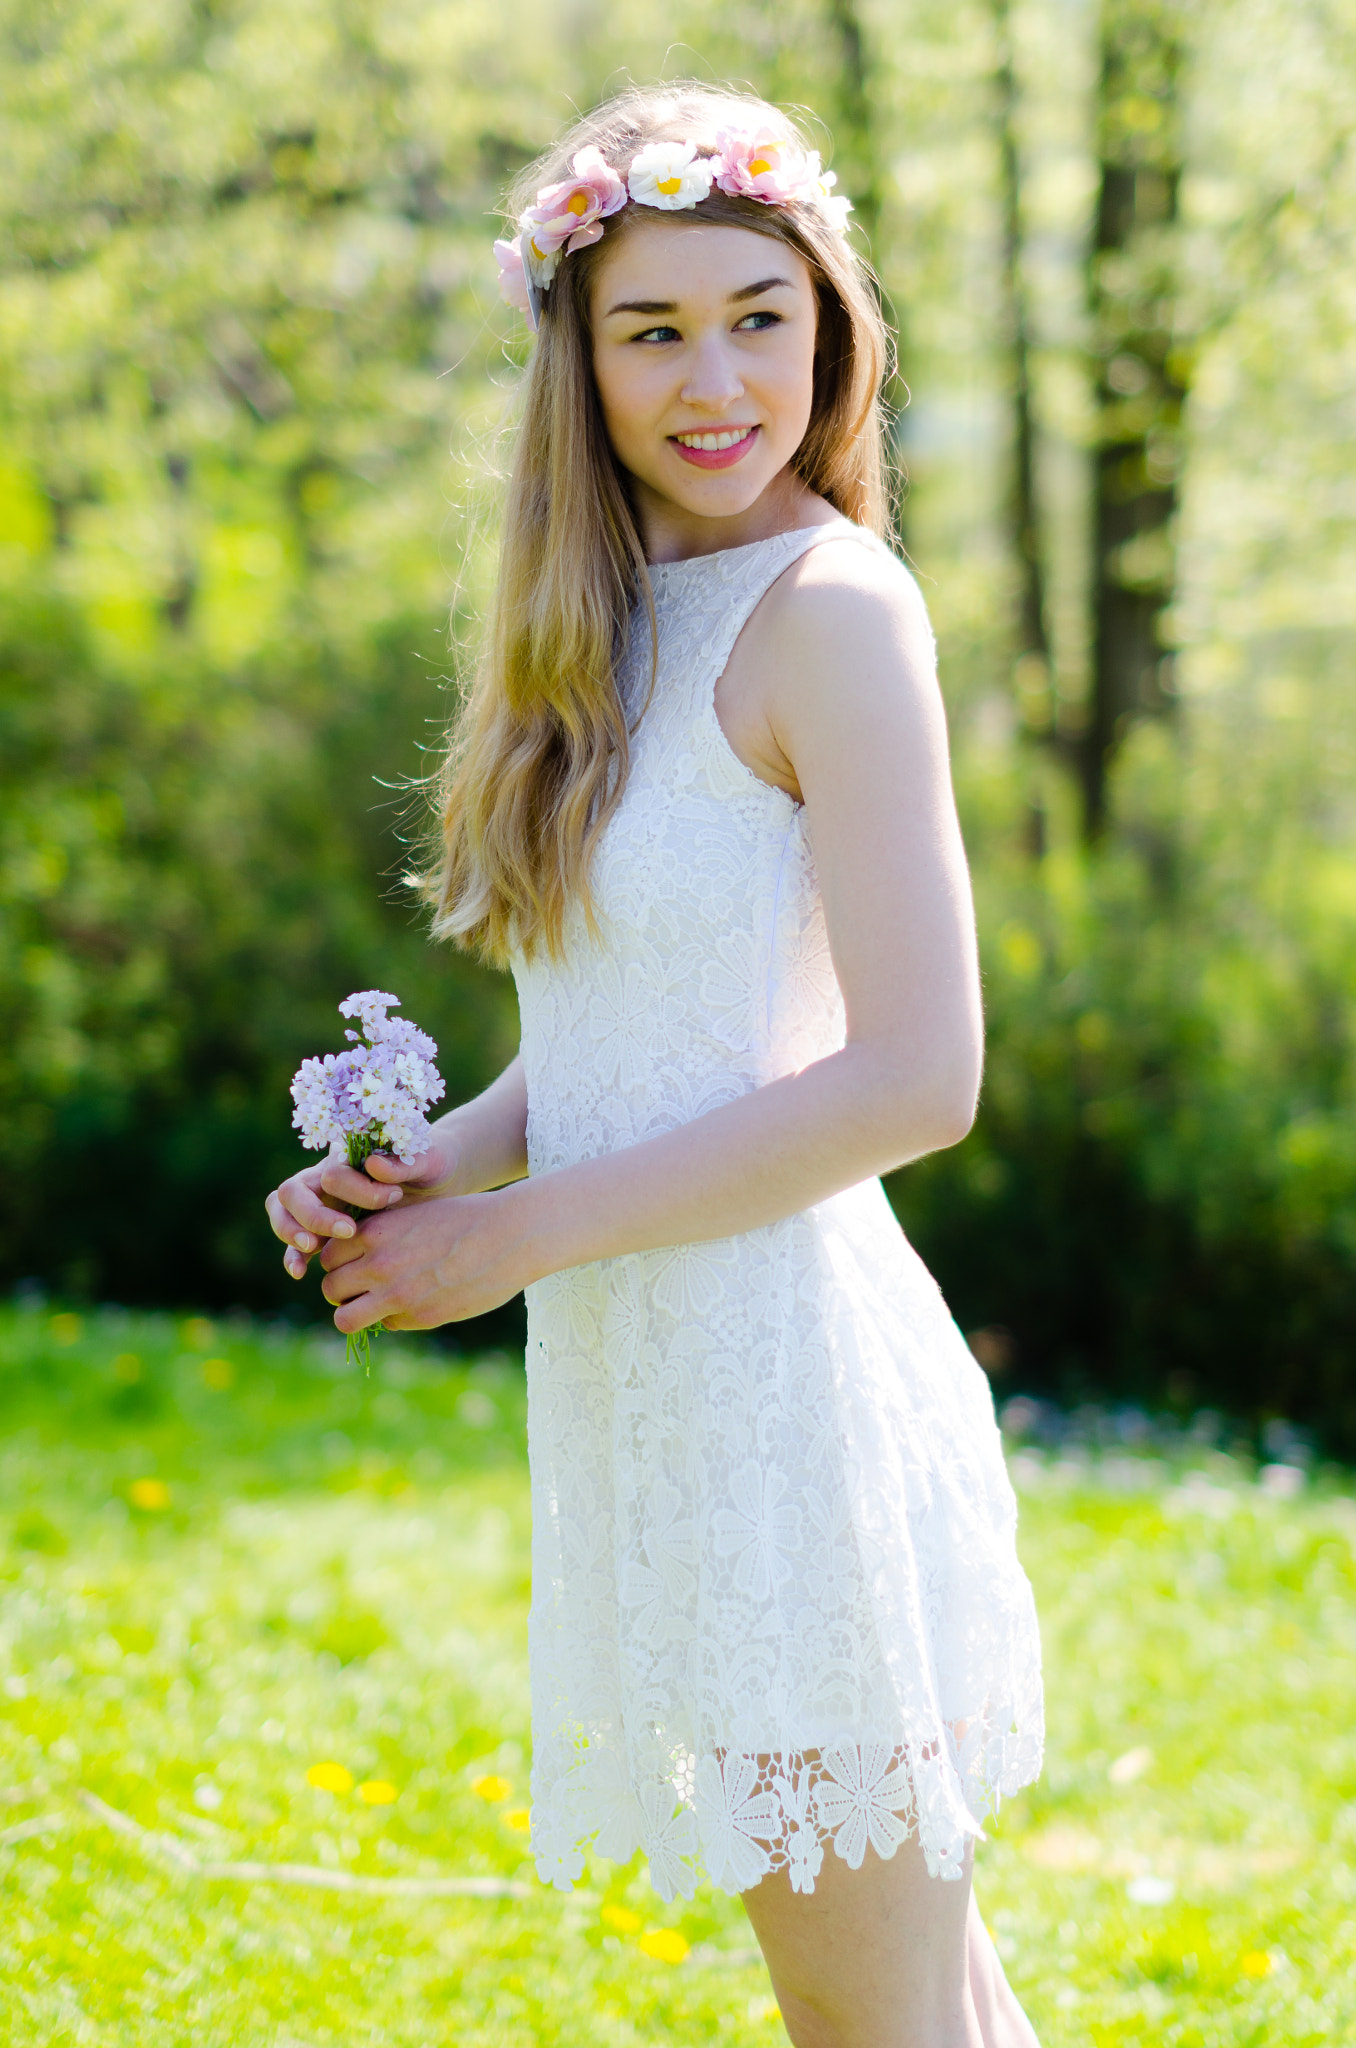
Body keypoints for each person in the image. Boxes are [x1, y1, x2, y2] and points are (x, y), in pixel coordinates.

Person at [265, 83, 1044, 2048]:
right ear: (577, 365)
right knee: (921, 2002)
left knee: (878, 2024)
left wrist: (517, 1239)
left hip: (793, 1401)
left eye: (759, 315)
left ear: (832, 328)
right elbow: (628, 1030)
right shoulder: (604, 627)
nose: (718, 378)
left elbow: (915, 1076)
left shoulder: (834, 611)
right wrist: (429, 1168)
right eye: (655, 328)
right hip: (662, 1392)